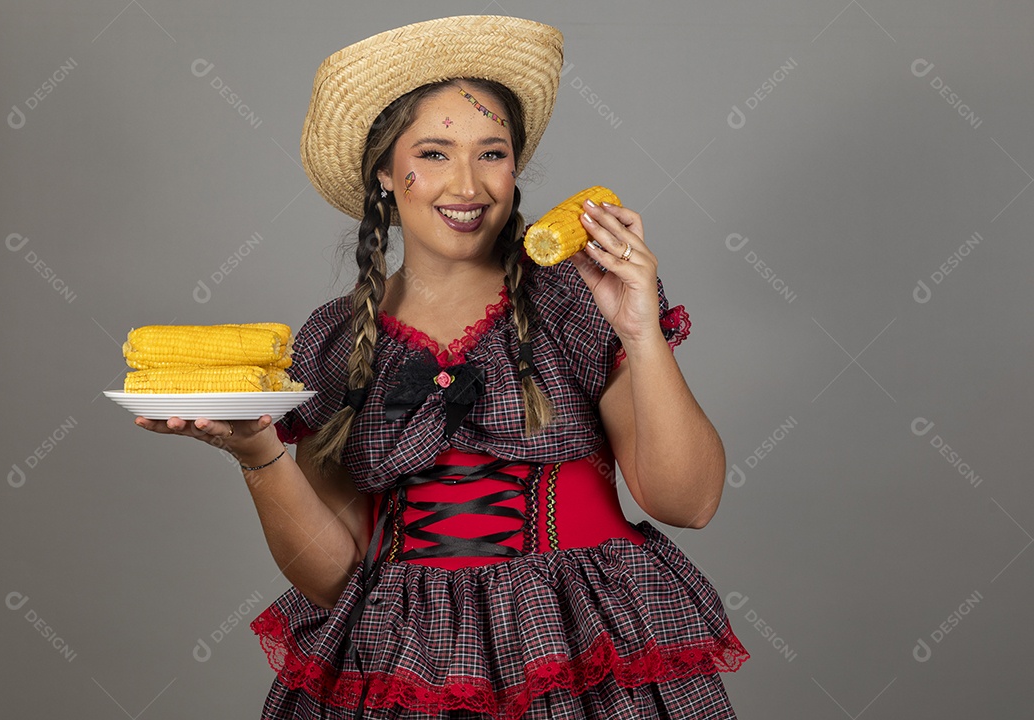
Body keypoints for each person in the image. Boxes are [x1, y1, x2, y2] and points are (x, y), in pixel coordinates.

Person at [135, 15, 748, 720]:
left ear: (516, 168)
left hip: (584, 651)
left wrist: (640, 331)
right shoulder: (338, 341)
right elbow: (333, 577)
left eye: (492, 153)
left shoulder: (578, 296)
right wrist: (257, 454)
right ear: (388, 175)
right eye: (433, 152)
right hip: (404, 667)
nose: (469, 184)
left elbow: (688, 502)